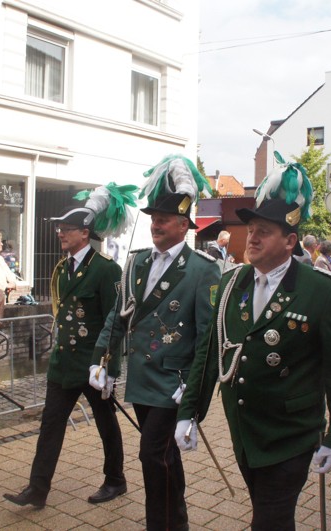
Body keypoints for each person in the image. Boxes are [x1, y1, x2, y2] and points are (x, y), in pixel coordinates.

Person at [175, 153, 331, 531]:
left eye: (264, 231)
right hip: (245, 431)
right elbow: (209, 354)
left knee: (269, 520)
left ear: (290, 240)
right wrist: (188, 412)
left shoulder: (321, 291)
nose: (253, 237)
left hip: (290, 435)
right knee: (270, 516)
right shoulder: (232, 283)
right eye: (251, 229)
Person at [90, 155, 220, 531]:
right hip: (143, 380)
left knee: (151, 456)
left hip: (173, 385)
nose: (155, 224)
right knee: (163, 458)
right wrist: (102, 360)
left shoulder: (202, 269)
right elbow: (118, 316)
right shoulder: (137, 263)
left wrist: (194, 395)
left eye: (163, 219)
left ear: (183, 225)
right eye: (152, 218)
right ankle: (176, 522)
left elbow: (208, 340)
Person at [4, 183, 136, 509]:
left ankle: (115, 479)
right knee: (50, 425)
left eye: (67, 229)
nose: (60, 233)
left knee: (106, 424)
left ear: (85, 233)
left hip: (92, 365)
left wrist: (109, 369)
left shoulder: (106, 269)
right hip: (63, 364)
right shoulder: (62, 269)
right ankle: (37, 488)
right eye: (60, 228)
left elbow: (115, 322)